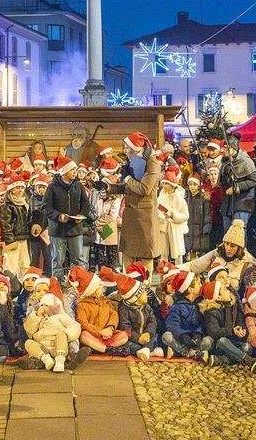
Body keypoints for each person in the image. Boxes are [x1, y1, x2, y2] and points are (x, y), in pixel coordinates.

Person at [105, 132, 161, 272]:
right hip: (130, 215)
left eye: (127, 148)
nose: (125, 151)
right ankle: (129, 284)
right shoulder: (133, 162)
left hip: (144, 216)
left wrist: (128, 178)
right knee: (127, 252)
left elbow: (144, 189)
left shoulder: (152, 162)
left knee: (145, 254)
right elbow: (128, 187)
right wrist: (109, 188)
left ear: (136, 148)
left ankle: (145, 286)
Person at [45, 155, 91, 281]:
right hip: (57, 230)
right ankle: (57, 284)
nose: (75, 173)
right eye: (73, 170)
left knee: (79, 259)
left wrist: (82, 216)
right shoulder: (52, 187)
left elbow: (86, 204)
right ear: (64, 172)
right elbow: (46, 207)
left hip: (75, 228)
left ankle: (81, 282)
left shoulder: (78, 186)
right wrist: (58, 216)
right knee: (57, 260)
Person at [179, 219, 256, 291]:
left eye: (233, 246)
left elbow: (249, 289)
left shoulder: (248, 262)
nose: (228, 248)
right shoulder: (216, 253)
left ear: (239, 248)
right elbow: (194, 266)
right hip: (209, 294)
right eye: (226, 244)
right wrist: (175, 269)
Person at [198, 280, 256, 370]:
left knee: (247, 347)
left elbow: (239, 319)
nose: (229, 291)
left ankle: (221, 360)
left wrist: (241, 329)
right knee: (222, 341)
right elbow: (214, 332)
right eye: (225, 290)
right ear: (218, 297)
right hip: (218, 344)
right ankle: (247, 360)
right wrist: (232, 332)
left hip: (232, 341)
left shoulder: (233, 305)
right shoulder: (211, 311)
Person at [71, 266, 129, 356]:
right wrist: (100, 331)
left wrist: (110, 328)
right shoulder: (82, 305)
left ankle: (99, 348)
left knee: (124, 336)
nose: (102, 288)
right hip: (93, 335)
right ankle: (107, 350)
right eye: (99, 286)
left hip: (107, 336)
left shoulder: (105, 301)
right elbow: (83, 323)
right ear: (93, 290)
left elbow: (114, 314)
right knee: (84, 336)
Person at [22, 293, 85, 372]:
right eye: (41, 305)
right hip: (43, 348)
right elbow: (29, 329)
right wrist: (37, 316)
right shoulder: (39, 318)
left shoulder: (61, 316)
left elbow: (75, 326)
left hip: (56, 346)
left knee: (61, 334)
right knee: (28, 343)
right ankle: (46, 359)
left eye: (46, 305)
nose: (43, 308)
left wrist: (66, 334)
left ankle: (60, 361)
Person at [161, 271, 209, 360]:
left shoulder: (200, 303)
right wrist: (183, 335)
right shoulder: (177, 306)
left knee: (207, 341)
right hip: (182, 339)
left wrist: (198, 333)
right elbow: (172, 325)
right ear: (190, 289)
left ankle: (178, 352)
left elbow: (202, 322)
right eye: (198, 283)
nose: (201, 285)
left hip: (196, 339)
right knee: (166, 336)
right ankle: (191, 353)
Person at [115, 273, 160, 361]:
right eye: (143, 293)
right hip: (133, 339)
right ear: (136, 298)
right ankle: (148, 350)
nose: (146, 294)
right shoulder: (124, 309)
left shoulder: (146, 306)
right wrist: (137, 338)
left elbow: (152, 320)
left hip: (147, 336)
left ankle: (145, 350)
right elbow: (125, 327)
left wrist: (148, 333)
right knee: (127, 344)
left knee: (156, 337)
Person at [220, 133, 256, 233]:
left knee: (239, 231)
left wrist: (237, 187)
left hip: (242, 202)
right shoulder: (225, 162)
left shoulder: (246, 161)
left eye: (226, 148)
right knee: (227, 231)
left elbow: (253, 181)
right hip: (228, 202)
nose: (224, 150)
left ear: (234, 149)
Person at [0, 173, 31, 278]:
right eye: (17, 188)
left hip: (23, 238)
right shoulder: (7, 205)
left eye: (22, 187)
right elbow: (5, 224)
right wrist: (10, 241)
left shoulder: (24, 203)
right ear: (11, 189)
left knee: (25, 264)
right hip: (12, 240)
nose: (20, 190)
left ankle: (25, 286)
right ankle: (10, 287)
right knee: (10, 265)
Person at [156, 166, 189, 262]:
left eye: (167, 183)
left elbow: (185, 216)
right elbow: (157, 210)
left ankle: (178, 273)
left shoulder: (180, 199)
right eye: (164, 183)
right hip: (163, 226)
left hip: (175, 227)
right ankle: (163, 273)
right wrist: (161, 215)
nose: (164, 186)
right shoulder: (161, 197)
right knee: (163, 252)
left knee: (177, 252)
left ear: (172, 185)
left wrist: (173, 215)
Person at [185, 173, 211, 259]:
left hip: (200, 228)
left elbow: (207, 214)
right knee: (190, 248)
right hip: (189, 227)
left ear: (199, 186)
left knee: (199, 249)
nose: (192, 187)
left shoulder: (203, 199)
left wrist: (206, 228)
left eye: (194, 184)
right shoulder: (186, 198)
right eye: (190, 184)